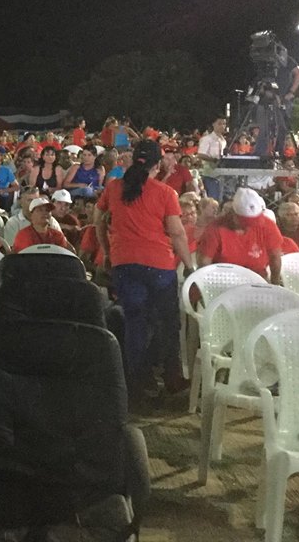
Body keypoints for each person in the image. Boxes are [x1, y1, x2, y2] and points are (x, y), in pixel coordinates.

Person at [94, 139, 194, 401]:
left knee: (135, 323)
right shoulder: (165, 193)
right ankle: (171, 378)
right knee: (167, 323)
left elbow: (98, 220)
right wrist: (190, 266)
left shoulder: (114, 188)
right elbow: (176, 233)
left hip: (124, 263)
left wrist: (106, 250)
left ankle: (136, 382)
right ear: (158, 164)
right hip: (159, 265)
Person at [197, 187, 283, 282]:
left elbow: (275, 257)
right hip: (223, 280)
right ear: (233, 213)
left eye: (254, 222)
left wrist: (275, 284)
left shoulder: (268, 225)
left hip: (257, 280)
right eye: (244, 221)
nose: (249, 226)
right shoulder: (214, 229)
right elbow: (204, 263)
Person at [197, 116, 227, 200]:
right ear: (213, 124)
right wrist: (214, 160)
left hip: (221, 174)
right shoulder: (207, 139)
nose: (222, 126)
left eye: (224, 124)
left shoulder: (223, 140)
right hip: (210, 173)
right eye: (219, 124)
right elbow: (200, 154)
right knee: (212, 199)